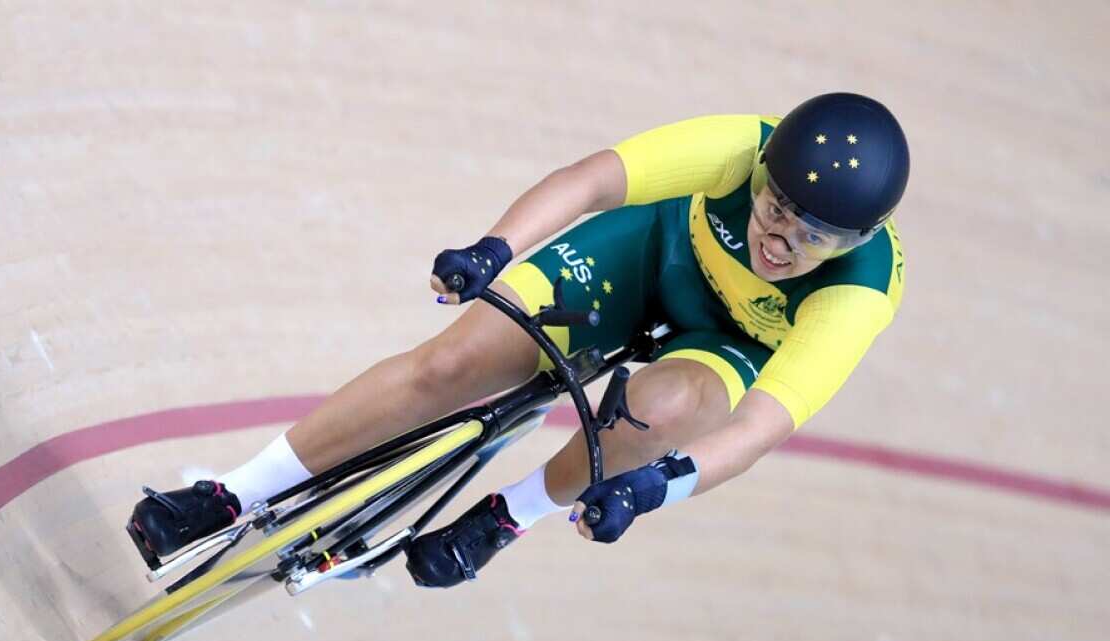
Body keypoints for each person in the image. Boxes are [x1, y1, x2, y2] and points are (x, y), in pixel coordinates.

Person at [128, 92, 909, 588]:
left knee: (658, 415)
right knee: (454, 361)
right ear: (763, 168)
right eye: (773, 209)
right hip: (646, 261)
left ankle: (510, 514)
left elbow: (757, 428)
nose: (781, 242)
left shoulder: (856, 295)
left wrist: (650, 488)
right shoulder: (741, 144)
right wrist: (490, 251)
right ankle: (234, 492)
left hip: (727, 345)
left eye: (814, 238)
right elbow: (591, 182)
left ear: (862, 236)